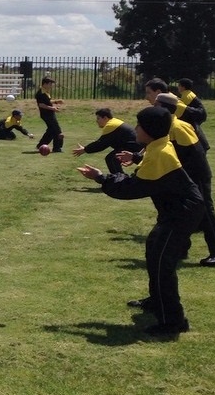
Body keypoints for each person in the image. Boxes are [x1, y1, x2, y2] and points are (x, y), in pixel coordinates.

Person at [77, 106, 204, 337]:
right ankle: (157, 303)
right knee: (153, 250)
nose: (134, 128)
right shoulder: (156, 146)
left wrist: (100, 177)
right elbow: (141, 169)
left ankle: (173, 322)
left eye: (138, 125)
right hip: (174, 210)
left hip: (182, 212)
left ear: (149, 130)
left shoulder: (159, 154)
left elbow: (130, 189)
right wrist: (133, 157)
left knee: (162, 263)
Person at [153, 93, 215, 267]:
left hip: (196, 176)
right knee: (181, 211)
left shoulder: (179, 127)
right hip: (184, 176)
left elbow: (196, 155)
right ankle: (180, 248)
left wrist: (186, 178)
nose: (153, 106)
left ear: (164, 107)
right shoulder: (167, 125)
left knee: (205, 213)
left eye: (156, 104)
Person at [144, 78, 209, 151]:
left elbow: (201, 115)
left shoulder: (175, 105)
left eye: (148, 93)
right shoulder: (164, 104)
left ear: (158, 92)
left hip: (192, 148)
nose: (146, 97)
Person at [72, 108, 141, 174]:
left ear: (105, 118)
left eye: (98, 118)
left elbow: (101, 144)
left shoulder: (111, 125)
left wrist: (85, 149)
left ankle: (120, 181)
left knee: (112, 158)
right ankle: (120, 180)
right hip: (135, 146)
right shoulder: (114, 122)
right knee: (113, 158)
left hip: (134, 147)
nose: (97, 121)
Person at [177, 78, 210, 151]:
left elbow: (180, 108)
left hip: (198, 114)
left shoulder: (186, 95)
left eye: (179, 85)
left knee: (193, 129)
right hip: (199, 114)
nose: (178, 87)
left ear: (183, 87)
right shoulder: (188, 93)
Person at [35, 77, 64, 152]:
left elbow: (47, 101)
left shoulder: (45, 92)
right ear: (45, 84)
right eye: (50, 84)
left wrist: (56, 102)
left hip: (50, 114)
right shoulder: (40, 93)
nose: (51, 86)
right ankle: (57, 148)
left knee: (51, 130)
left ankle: (41, 145)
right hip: (46, 115)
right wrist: (52, 108)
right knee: (57, 131)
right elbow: (41, 105)